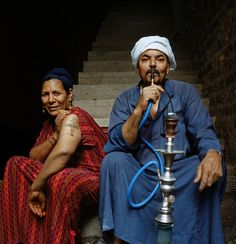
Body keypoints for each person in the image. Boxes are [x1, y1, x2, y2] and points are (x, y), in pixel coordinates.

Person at [99, 36, 227, 244]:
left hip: (181, 174)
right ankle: (121, 238)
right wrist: (139, 108)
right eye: (145, 59)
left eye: (159, 59)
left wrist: (214, 152)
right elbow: (117, 142)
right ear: (137, 67)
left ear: (168, 67)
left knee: (209, 162)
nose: (152, 64)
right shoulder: (125, 99)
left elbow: (204, 130)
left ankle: (199, 238)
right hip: (141, 175)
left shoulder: (184, 93)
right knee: (113, 161)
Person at [0, 67, 107, 243]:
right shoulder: (50, 124)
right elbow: (33, 158)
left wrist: (37, 186)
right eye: (45, 94)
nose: (51, 100)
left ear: (69, 95)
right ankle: (18, 239)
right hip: (62, 175)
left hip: (92, 180)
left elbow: (64, 152)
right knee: (14, 163)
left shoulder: (74, 116)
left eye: (57, 93)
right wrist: (56, 135)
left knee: (59, 178)